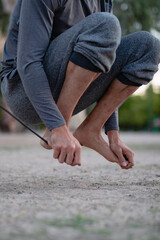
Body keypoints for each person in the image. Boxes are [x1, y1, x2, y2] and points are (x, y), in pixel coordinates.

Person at [0, 0, 160, 169]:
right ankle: (59, 127)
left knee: (149, 47)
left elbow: (107, 58)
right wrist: (58, 125)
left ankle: (91, 129)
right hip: (23, 92)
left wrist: (113, 134)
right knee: (106, 24)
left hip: (67, 88)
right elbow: (29, 63)